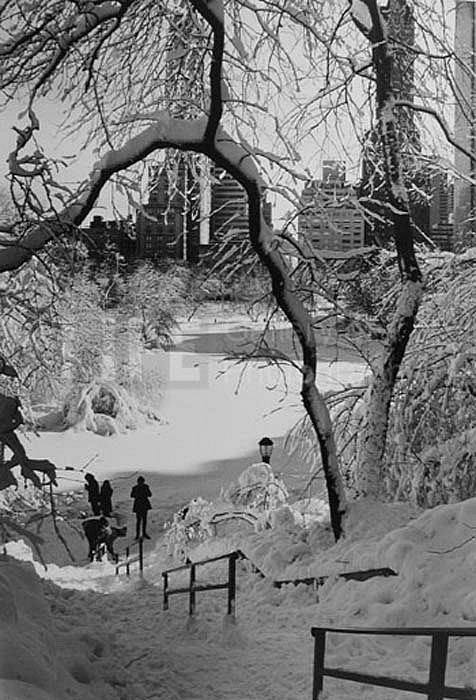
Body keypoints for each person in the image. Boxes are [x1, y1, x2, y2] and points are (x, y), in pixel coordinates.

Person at [130, 476, 152, 540]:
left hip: (140, 505)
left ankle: (141, 534)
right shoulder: (141, 487)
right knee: (140, 521)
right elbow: (132, 495)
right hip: (141, 505)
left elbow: (150, 494)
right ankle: (140, 534)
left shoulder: (138, 487)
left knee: (141, 521)